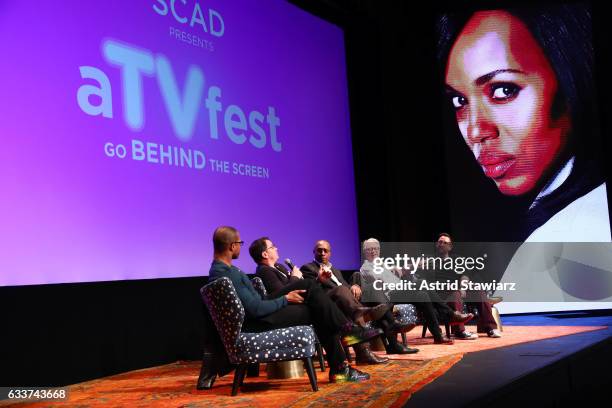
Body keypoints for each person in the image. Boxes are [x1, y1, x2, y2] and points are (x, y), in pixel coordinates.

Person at [438, 5, 610, 242]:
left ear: (571, 80)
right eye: (460, 100)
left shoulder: (576, 232)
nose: (476, 131)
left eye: (503, 90)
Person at [207, 226, 382, 384]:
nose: (240, 247)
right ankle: (345, 343)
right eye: (239, 243)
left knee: (312, 296)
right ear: (232, 246)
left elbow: (256, 302)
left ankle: (344, 350)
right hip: (257, 322)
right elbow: (254, 309)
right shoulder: (225, 274)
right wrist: (285, 298)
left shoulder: (226, 270)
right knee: (311, 293)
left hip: (260, 313)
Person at [358, 237, 476, 345]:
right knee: (421, 283)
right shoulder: (366, 267)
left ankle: (438, 335)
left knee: (423, 295)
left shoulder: (382, 264)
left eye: (376, 249)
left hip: (399, 291)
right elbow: (384, 280)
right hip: (388, 295)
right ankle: (450, 314)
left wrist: (406, 268)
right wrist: (394, 270)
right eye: (370, 249)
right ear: (365, 252)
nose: (373, 251)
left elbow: (398, 274)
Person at [432, 233, 501, 338]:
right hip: (440, 291)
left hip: (457, 288)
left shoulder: (457, 259)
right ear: (436, 244)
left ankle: (489, 328)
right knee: (455, 293)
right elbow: (414, 266)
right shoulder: (430, 259)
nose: (441, 244)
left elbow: (465, 274)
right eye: (439, 242)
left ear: (450, 246)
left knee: (478, 290)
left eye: (444, 242)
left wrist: (463, 287)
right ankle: (459, 331)